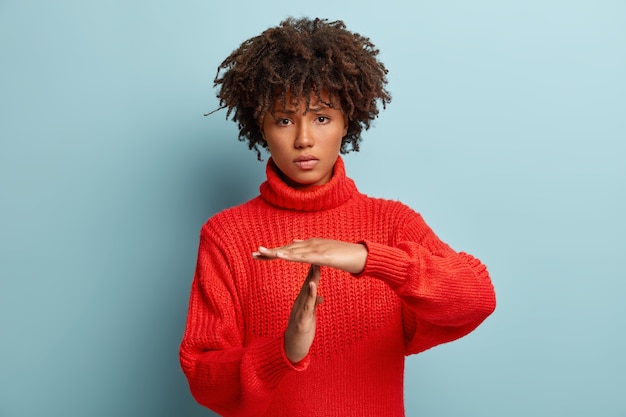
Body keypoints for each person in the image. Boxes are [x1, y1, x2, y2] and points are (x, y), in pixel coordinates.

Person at [179, 17, 496, 417]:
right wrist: (284, 351)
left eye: (322, 118)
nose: (304, 138)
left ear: (348, 121)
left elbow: (477, 298)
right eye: (283, 119)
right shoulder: (227, 235)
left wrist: (370, 259)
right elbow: (202, 375)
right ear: (260, 126)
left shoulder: (393, 222)